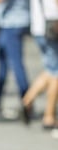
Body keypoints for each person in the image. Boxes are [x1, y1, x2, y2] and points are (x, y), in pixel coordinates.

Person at [0, 0, 30, 113]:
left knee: (16, 63)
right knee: (3, 61)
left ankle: (27, 100)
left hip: (13, 23)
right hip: (8, 23)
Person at [22, 0, 58, 131]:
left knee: (51, 69)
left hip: (40, 27)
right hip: (50, 27)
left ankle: (27, 100)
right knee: (56, 73)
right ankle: (49, 117)